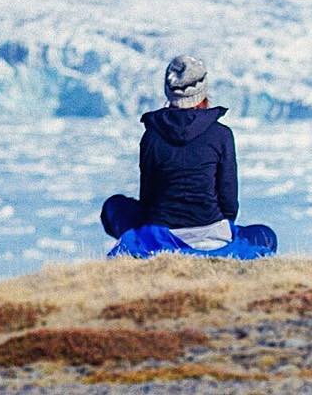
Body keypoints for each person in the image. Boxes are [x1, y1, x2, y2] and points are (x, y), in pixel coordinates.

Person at [100, 55, 277, 259]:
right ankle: (213, 247)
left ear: (169, 91)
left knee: (115, 206)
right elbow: (229, 202)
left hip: (160, 236)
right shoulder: (221, 135)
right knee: (265, 235)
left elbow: (148, 197)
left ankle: (156, 247)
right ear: (202, 93)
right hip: (213, 234)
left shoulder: (152, 136)